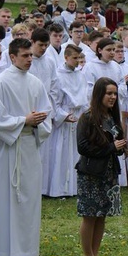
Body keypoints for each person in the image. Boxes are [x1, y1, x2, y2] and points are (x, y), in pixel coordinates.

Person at [0, 38, 52, 256]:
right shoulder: (0, 82)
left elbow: (47, 113)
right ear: (12, 57)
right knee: (6, 200)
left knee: (27, 202)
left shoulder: (36, 83)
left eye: (31, 55)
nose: (29, 59)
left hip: (29, 147)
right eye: (24, 56)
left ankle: (22, 255)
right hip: (8, 149)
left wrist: (37, 124)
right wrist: (24, 120)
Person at [75, 77, 126, 256]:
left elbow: (114, 144)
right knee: (90, 214)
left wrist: (120, 147)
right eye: (109, 93)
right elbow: (83, 147)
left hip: (109, 171)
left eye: (115, 93)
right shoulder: (87, 118)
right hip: (91, 172)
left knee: (102, 213)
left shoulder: (111, 117)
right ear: (99, 95)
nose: (113, 97)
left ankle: (95, 255)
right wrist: (111, 147)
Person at [44, 44, 89, 198]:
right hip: (65, 117)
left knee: (76, 153)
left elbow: (84, 97)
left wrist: (85, 114)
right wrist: (63, 115)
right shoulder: (58, 75)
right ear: (66, 57)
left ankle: (75, 187)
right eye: (74, 58)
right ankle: (59, 188)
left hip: (78, 117)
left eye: (79, 58)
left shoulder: (81, 75)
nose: (77, 61)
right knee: (61, 154)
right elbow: (54, 99)